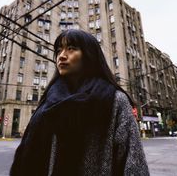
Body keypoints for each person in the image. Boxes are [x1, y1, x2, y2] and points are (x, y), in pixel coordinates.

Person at [10, 29, 150, 176]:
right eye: (59, 51)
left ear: (89, 55)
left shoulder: (114, 100)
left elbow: (133, 162)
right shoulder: (48, 102)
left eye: (71, 49)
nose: (62, 56)